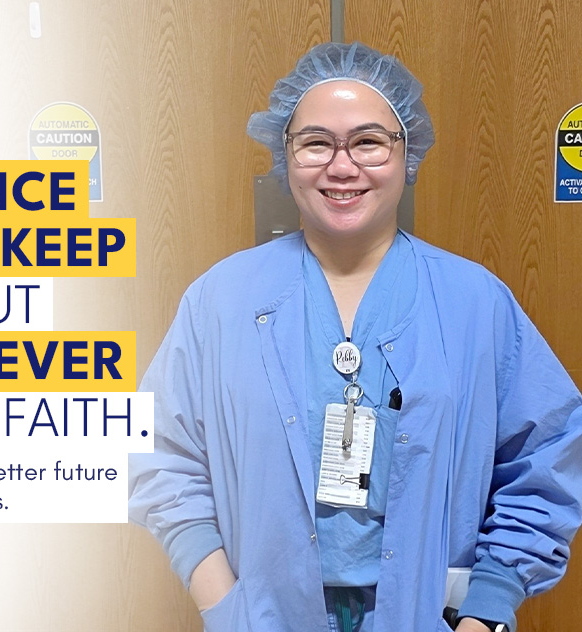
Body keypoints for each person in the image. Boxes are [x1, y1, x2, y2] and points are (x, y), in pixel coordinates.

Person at [128, 42, 582, 632]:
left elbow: (548, 455)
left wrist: (488, 609)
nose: (342, 167)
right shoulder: (221, 300)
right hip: (264, 617)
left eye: (369, 142)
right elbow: (158, 453)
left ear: (407, 153)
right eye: (316, 143)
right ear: (285, 155)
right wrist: (224, 603)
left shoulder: (475, 302)